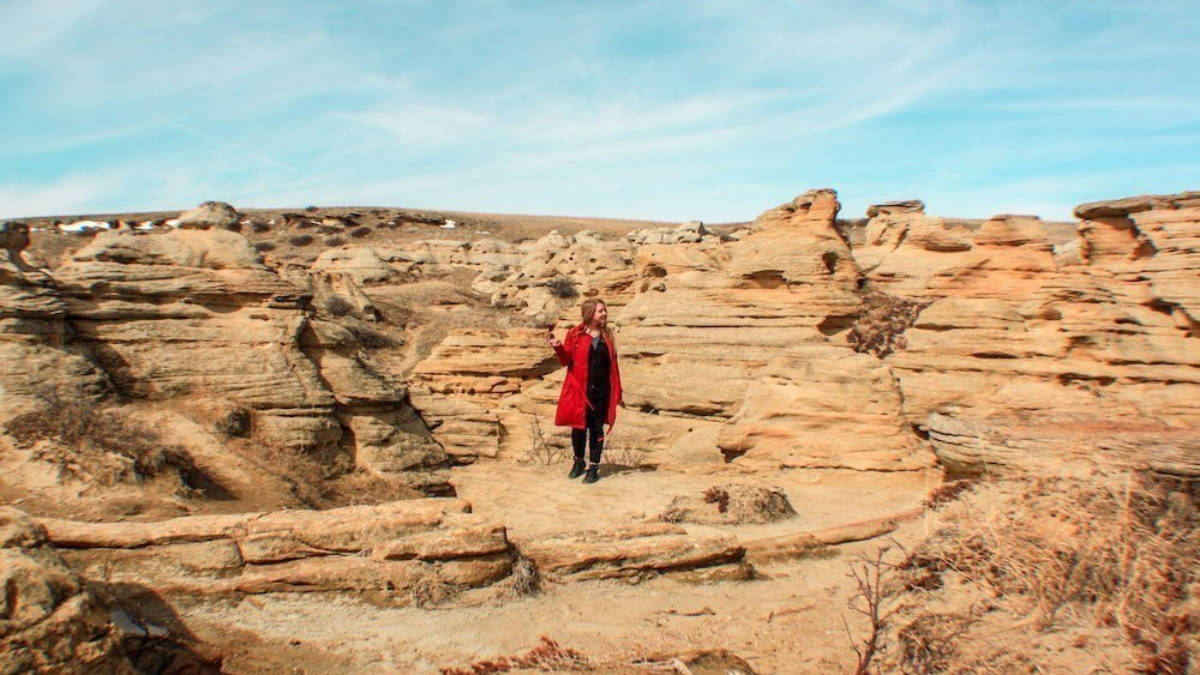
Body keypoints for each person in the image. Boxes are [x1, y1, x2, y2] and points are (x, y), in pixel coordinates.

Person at [546, 298, 623, 484]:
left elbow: (613, 366)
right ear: (590, 314)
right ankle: (578, 462)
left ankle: (593, 468)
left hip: (601, 392)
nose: (604, 314)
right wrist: (558, 347)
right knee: (578, 428)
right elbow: (566, 361)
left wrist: (618, 390)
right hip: (580, 390)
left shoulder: (607, 336)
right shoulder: (575, 334)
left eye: (604, 310)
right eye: (600, 311)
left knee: (597, 430)